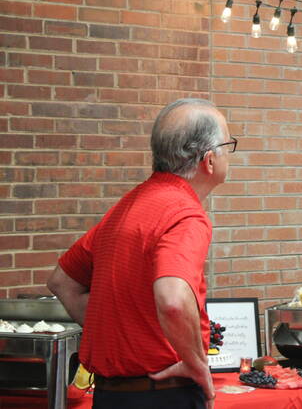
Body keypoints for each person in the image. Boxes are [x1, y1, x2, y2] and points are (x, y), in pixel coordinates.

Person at [47, 98, 237, 409]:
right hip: (164, 395)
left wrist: (123, 335)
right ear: (209, 160)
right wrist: (195, 363)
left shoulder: (125, 208)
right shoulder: (185, 214)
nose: (230, 155)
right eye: (227, 145)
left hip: (111, 396)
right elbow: (173, 300)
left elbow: (62, 283)